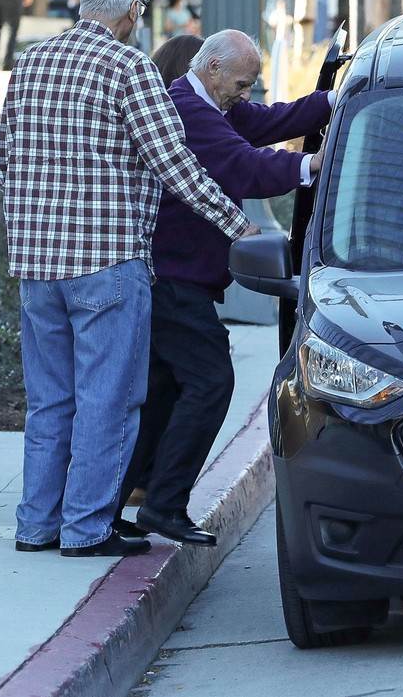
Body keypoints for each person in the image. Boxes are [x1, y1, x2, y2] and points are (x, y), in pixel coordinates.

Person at [0, 0, 259, 558]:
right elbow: (176, 165)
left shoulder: (31, 61)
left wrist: (39, 219)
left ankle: (36, 525)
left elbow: (0, 160)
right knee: (107, 400)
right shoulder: (128, 66)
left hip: (37, 269)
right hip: (108, 264)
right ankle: (86, 529)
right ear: (134, 10)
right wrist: (238, 225)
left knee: (51, 402)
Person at [121, 29, 335, 547]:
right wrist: (311, 165)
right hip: (172, 280)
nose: (247, 93)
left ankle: (122, 501)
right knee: (211, 381)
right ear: (212, 68)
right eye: (242, 82)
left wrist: (334, 97)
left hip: (180, 279)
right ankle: (163, 504)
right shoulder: (186, 111)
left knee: (166, 391)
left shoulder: (216, 106)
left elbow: (272, 121)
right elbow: (243, 166)